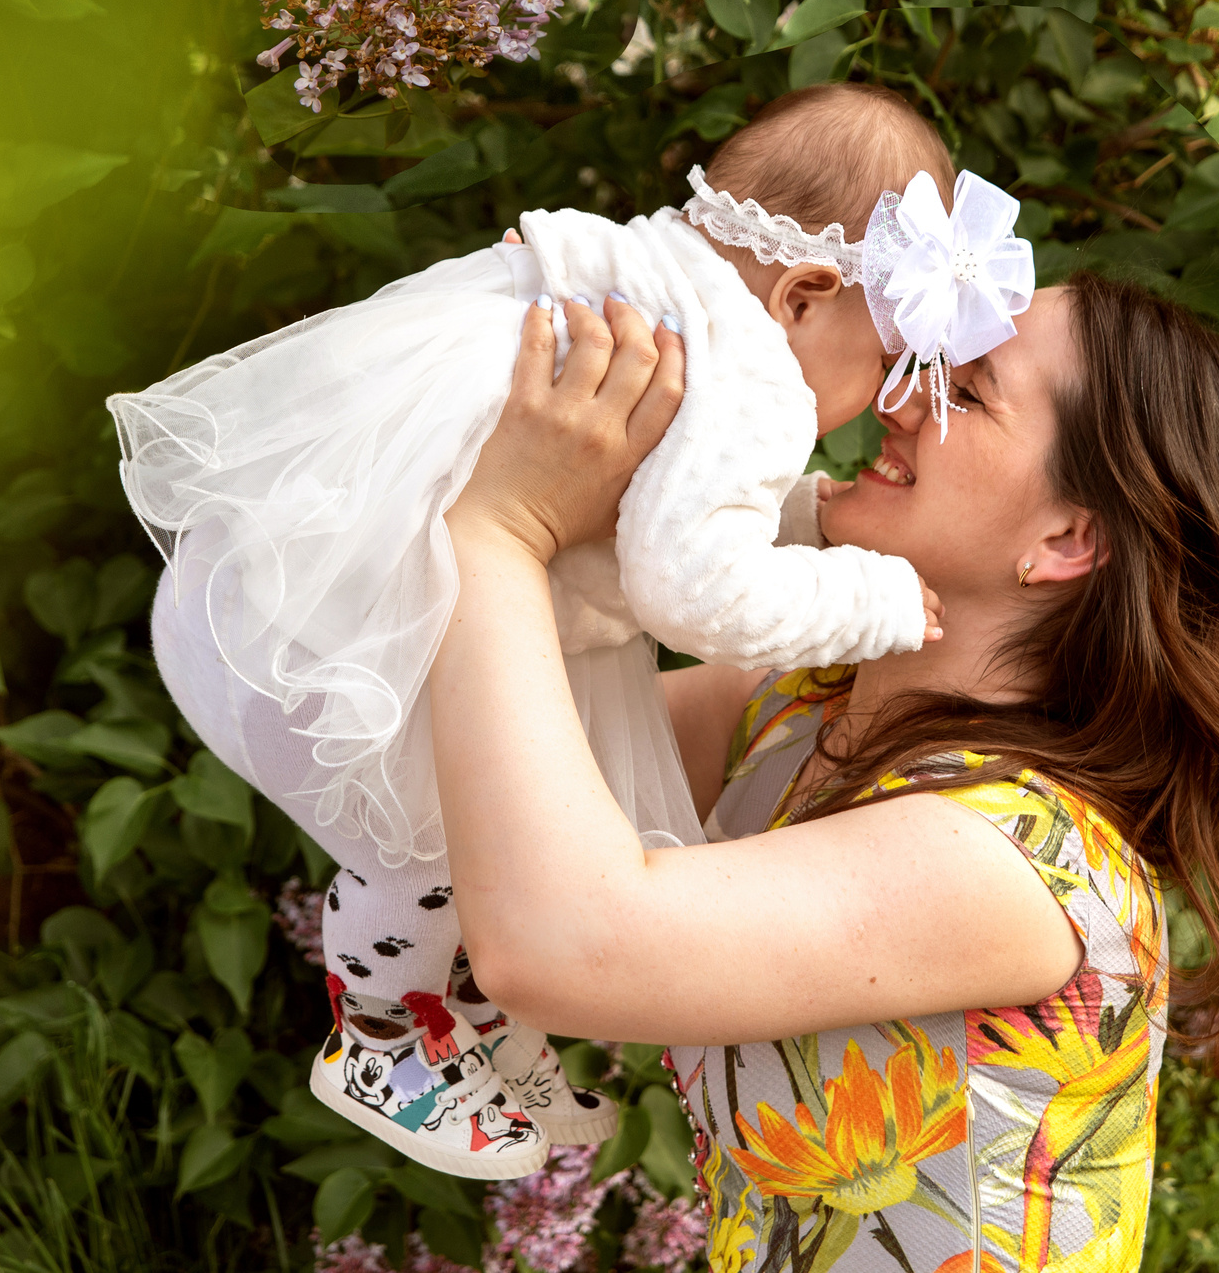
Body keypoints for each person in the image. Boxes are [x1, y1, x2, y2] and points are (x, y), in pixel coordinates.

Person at [109, 85, 1005, 1177]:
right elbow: (690, 588)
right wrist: (865, 595)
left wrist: (807, 515)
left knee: (517, 791)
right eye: (890, 361)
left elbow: (658, 490)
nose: (882, 403)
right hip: (375, 628)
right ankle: (385, 1035)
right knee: (450, 825)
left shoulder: (645, 269)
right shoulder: (758, 380)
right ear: (805, 296)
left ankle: (469, 1015)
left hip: (293, 569)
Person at [429, 272, 1219, 1270]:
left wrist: (497, 527)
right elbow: (459, 777)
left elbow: (555, 943)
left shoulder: (1008, 856)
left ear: (1066, 539)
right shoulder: (802, 703)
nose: (897, 395)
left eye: (969, 390)